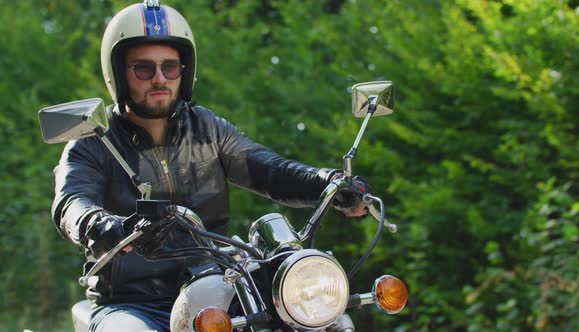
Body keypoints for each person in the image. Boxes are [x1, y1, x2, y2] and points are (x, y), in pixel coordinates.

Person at [51, 1, 369, 331]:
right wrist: (100, 225)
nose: (159, 79)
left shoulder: (207, 129)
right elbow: (71, 203)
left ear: (184, 72)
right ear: (119, 73)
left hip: (216, 288)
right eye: (144, 69)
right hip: (131, 304)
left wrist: (330, 183)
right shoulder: (95, 141)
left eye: (170, 67)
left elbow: (269, 170)